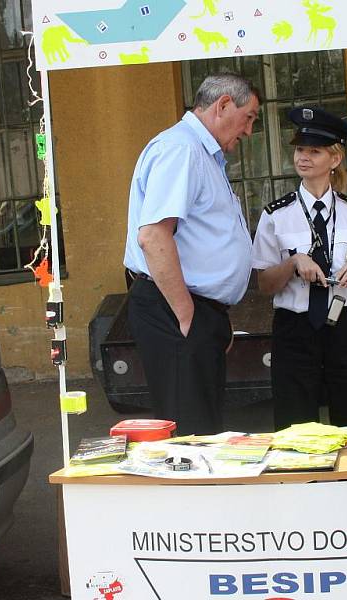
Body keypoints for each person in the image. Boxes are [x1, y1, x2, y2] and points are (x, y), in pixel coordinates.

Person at [123, 73, 260, 435]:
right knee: (191, 435)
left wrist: (212, 314)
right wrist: (188, 315)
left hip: (194, 308)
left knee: (204, 428)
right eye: (249, 117)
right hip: (176, 308)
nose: (248, 131)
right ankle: (193, 494)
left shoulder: (201, 153)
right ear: (224, 105)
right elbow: (153, 236)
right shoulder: (181, 149)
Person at [252, 106, 347, 429]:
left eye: (314, 151)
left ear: (334, 160)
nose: (303, 157)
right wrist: (293, 262)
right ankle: (302, 481)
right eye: (299, 150)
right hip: (296, 327)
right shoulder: (276, 215)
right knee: (295, 424)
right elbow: (265, 284)